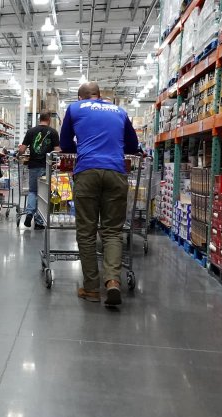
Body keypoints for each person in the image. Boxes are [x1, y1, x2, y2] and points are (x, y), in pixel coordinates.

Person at [59, 81, 139, 307]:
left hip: (87, 173)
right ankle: (113, 281)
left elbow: (65, 144)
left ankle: (92, 289)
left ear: (80, 97)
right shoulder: (119, 111)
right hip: (115, 172)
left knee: (86, 232)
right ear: (100, 95)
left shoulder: (75, 109)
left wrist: (83, 148)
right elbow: (132, 146)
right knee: (112, 231)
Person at [19, 112, 60, 229]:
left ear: (39, 119)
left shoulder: (31, 131)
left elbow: (22, 149)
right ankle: (38, 222)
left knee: (33, 191)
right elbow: (57, 150)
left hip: (33, 166)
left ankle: (29, 213)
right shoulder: (53, 132)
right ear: (49, 120)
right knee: (43, 194)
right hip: (46, 166)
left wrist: (19, 154)